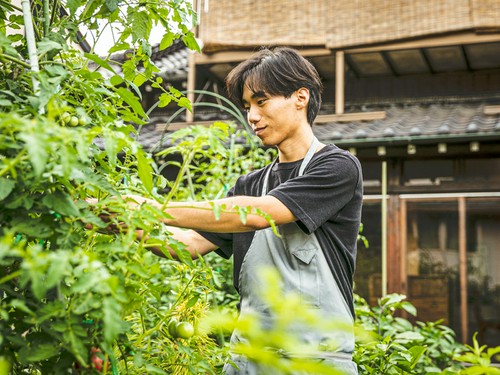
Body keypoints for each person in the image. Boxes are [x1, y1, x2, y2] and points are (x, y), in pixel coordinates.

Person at [91, 46, 362, 374]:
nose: (252, 116)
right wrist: (122, 219)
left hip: (314, 361)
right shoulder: (250, 184)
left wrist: (152, 206)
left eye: (261, 102)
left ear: (300, 98)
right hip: (248, 359)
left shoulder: (336, 167)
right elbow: (188, 244)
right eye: (247, 106)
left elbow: (255, 214)